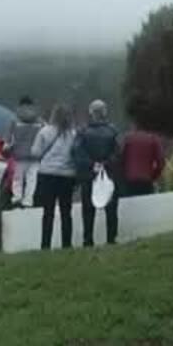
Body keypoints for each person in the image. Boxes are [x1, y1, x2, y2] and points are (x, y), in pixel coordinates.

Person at [73, 100, 123, 246]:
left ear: (91, 113)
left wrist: (91, 163)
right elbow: (118, 152)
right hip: (109, 173)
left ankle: (88, 239)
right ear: (105, 112)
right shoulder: (113, 131)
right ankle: (111, 238)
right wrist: (106, 163)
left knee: (88, 208)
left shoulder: (82, 132)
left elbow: (77, 151)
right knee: (111, 207)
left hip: (89, 174)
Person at [29, 104, 77, 248]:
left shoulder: (44, 132)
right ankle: (67, 244)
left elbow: (35, 152)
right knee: (66, 212)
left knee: (48, 211)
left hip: (47, 174)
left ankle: (45, 244)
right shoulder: (73, 134)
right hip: (67, 175)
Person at [6, 97, 45, 208]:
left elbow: (8, 140)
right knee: (31, 179)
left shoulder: (14, 121)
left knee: (18, 177)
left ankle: (17, 197)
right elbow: (45, 136)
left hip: (19, 155)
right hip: (35, 155)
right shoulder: (40, 121)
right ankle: (28, 200)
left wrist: (7, 148)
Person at [118, 127, 164, 199]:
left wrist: (123, 176)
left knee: (131, 207)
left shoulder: (128, 138)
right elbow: (160, 162)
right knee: (146, 206)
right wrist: (153, 176)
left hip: (130, 181)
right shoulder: (153, 138)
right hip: (146, 180)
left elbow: (120, 159)